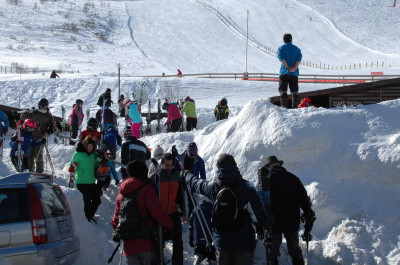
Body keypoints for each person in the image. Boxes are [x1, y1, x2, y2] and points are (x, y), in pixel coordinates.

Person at [185, 153, 268, 265]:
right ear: (235, 165)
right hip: (243, 244)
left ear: (218, 168)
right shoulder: (247, 188)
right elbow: (258, 217)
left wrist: (187, 175)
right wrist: (260, 228)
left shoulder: (214, 187)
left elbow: (197, 184)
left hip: (221, 244)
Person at [111, 160, 174, 265]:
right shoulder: (147, 188)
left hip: (129, 246)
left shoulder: (121, 194)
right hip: (146, 242)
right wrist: (170, 226)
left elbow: (115, 221)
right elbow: (157, 212)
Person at [258, 155, 315, 265]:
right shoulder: (293, 178)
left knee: (272, 251)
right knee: (294, 248)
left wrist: (260, 223)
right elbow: (303, 199)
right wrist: (308, 214)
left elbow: (260, 201)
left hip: (273, 222)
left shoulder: (265, 181)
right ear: (279, 164)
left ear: (268, 166)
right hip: (291, 220)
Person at [149, 153, 187, 265]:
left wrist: (183, 213)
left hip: (173, 212)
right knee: (158, 241)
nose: (169, 168)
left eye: (171, 165)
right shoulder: (155, 177)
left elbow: (180, 196)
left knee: (178, 241)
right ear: (161, 164)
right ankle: (159, 261)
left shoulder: (177, 176)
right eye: (167, 165)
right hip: (159, 214)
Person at [68, 137, 101, 223]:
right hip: (81, 182)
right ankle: (87, 219)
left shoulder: (93, 155)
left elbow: (97, 164)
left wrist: (100, 163)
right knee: (86, 201)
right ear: (85, 145)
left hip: (91, 181)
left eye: (92, 146)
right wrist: (72, 167)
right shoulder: (78, 155)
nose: (90, 148)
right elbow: (71, 165)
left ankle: (89, 216)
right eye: (89, 146)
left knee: (97, 200)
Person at [20, 98, 57, 173]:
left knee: (38, 155)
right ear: (39, 106)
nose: (43, 107)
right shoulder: (34, 113)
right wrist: (27, 112)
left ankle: (39, 172)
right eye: (42, 106)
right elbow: (23, 117)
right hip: (30, 136)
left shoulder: (48, 115)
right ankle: (30, 171)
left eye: (45, 106)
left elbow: (53, 127)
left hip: (40, 137)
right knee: (30, 154)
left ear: (47, 107)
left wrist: (48, 132)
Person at [177, 142, 206, 217]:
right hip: (181, 181)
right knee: (181, 199)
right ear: (187, 152)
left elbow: (203, 175)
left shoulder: (199, 161)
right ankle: (182, 216)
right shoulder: (180, 159)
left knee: (192, 202)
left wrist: (202, 186)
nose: (193, 156)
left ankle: (192, 217)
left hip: (192, 182)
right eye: (191, 154)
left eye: (195, 154)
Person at [277, 33, 302, 108]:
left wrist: (287, 67)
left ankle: (284, 107)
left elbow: (282, 59)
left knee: (283, 90)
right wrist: (294, 68)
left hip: (284, 72)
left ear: (283, 40)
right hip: (294, 73)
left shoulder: (280, 48)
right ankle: (295, 106)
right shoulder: (297, 49)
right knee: (294, 90)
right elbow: (298, 59)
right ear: (291, 39)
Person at [189, 200, 216, 265]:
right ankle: (212, 261)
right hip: (211, 238)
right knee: (212, 256)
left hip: (198, 238)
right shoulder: (213, 208)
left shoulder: (196, 209)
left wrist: (191, 237)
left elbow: (191, 225)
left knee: (199, 252)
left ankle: (197, 258)